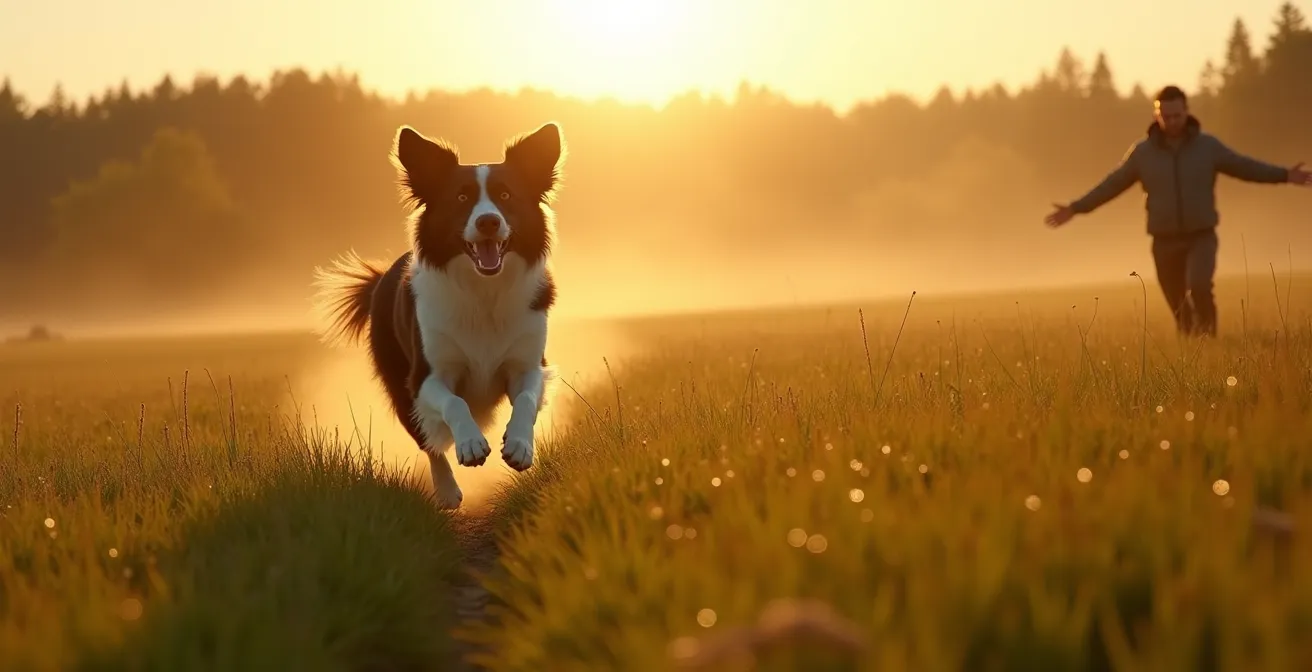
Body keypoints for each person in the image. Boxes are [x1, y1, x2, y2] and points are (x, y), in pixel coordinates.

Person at [1045, 85, 1312, 337]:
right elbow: (1111, 186)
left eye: (1177, 115)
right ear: (1156, 115)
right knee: (1177, 302)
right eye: (1166, 116)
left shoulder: (1208, 147)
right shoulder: (1142, 154)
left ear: (1187, 112)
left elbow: (1245, 167)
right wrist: (1076, 208)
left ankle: (1209, 342)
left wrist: (1285, 175)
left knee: (1199, 286)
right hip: (1164, 240)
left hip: (1201, 236)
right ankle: (1191, 348)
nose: (1172, 121)